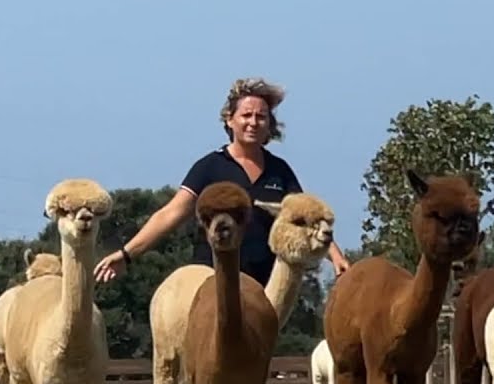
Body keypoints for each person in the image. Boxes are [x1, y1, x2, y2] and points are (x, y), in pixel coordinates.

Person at [93, 77, 350, 286]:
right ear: (230, 119)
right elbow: (170, 214)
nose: (253, 122)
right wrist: (127, 255)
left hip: (261, 286)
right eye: (246, 115)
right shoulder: (210, 167)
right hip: (210, 281)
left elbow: (307, 219)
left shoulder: (279, 171)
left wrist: (336, 258)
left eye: (261, 117)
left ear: (269, 124)